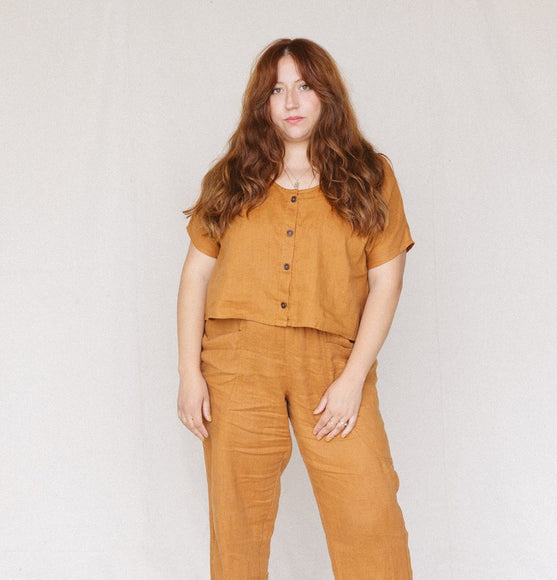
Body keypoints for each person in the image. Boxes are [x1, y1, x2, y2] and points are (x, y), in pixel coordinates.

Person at [177, 38, 415, 580]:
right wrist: (190, 373)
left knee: (370, 514)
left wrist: (353, 379)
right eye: (277, 89)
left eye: (304, 86)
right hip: (238, 361)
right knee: (237, 527)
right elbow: (195, 274)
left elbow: (387, 282)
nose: (291, 101)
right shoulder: (232, 177)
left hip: (332, 363)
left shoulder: (370, 175)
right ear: (262, 103)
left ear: (325, 94)